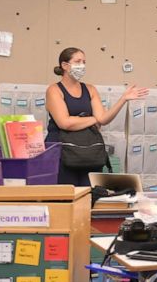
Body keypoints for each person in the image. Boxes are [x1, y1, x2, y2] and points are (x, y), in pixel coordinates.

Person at [46, 47, 147, 186]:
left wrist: (123, 99)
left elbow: (103, 119)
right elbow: (65, 122)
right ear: (64, 65)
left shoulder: (90, 89)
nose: (82, 65)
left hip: (88, 152)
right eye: (77, 61)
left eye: (84, 62)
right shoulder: (54, 90)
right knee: (65, 196)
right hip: (62, 153)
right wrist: (93, 119)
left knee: (89, 195)